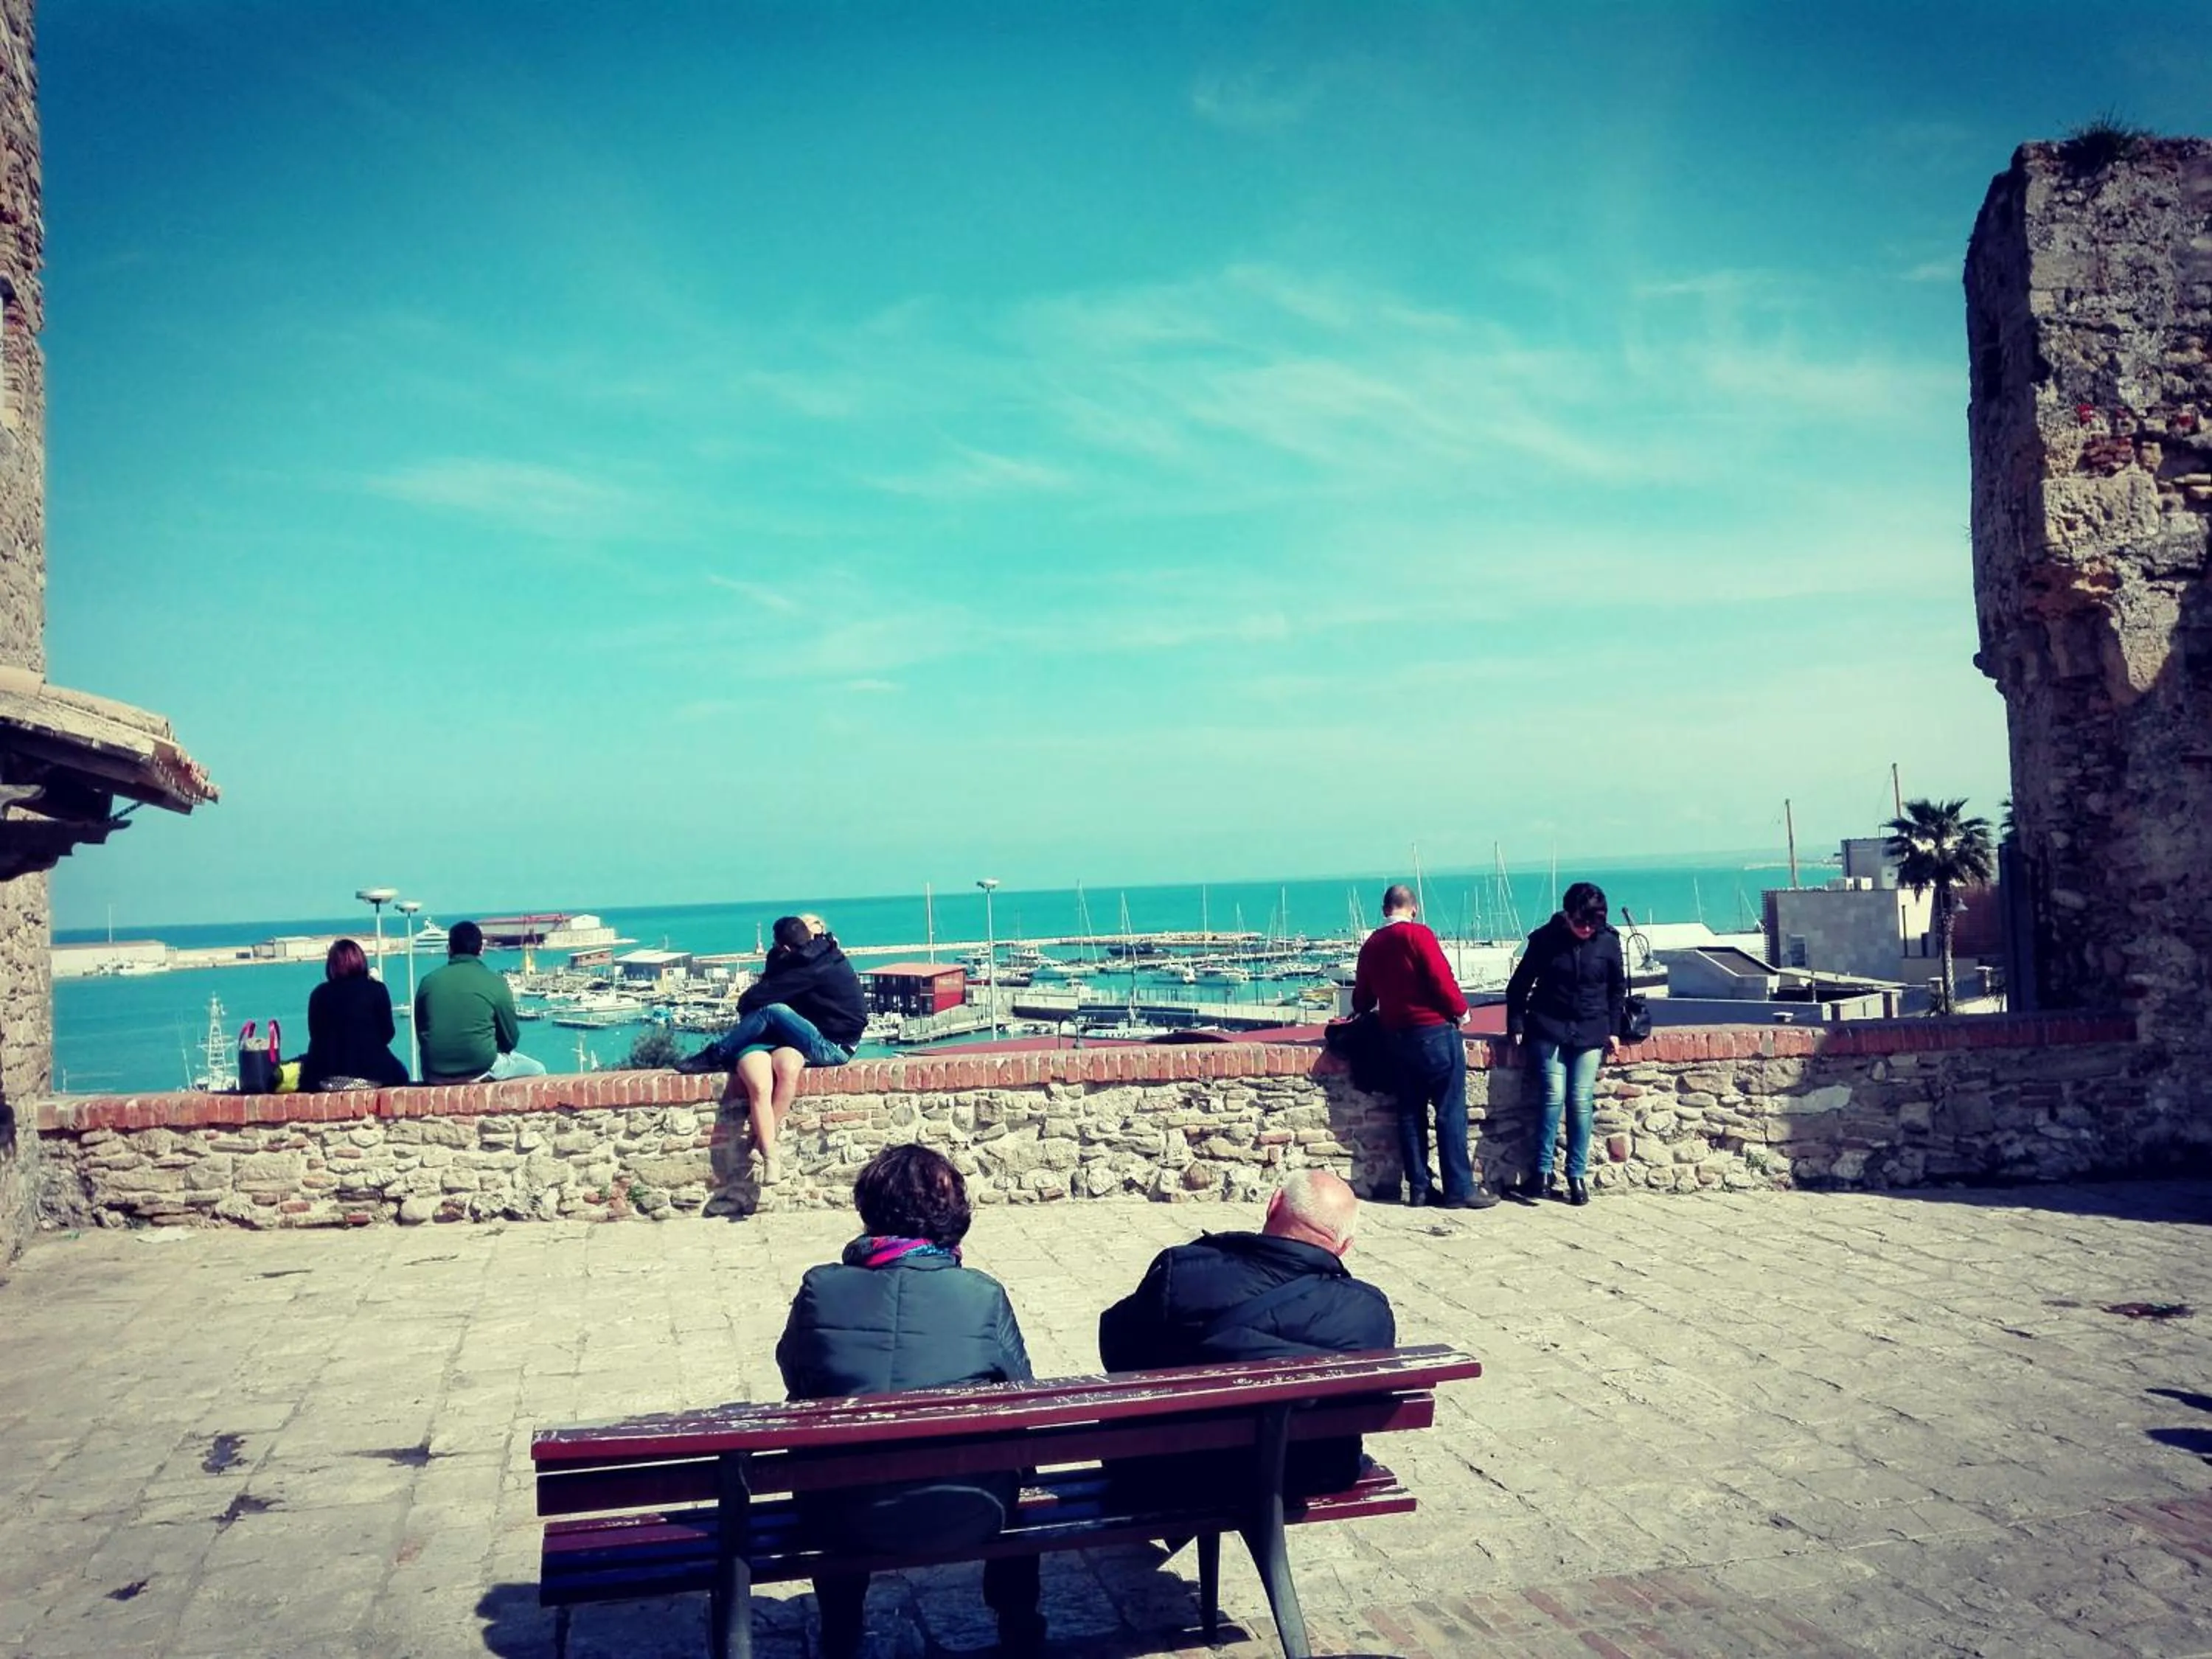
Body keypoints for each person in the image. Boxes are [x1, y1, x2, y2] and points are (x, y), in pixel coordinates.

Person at [776, 1144, 1045, 1659]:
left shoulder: (820, 1290)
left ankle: (841, 1632)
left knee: (823, 1460)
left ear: (869, 1210)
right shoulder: (982, 1294)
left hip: (844, 1518)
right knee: (1015, 1457)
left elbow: (795, 1372)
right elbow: (1022, 1393)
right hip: (970, 1507)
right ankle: (1019, 1619)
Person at [1099, 1169, 1396, 1499]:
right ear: (1344, 1246)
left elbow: (1117, 1352)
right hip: (1309, 1474)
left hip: (1169, 1473)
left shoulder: (1184, 1274)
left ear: (1274, 1204)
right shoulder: (1368, 1313)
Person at [675, 914, 865, 1185]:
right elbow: (773, 986)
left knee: (773, 1011)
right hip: (811, 1038)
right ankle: (766, 1149)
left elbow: (758, 998)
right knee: (764, 1076)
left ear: (785, 946)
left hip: (833, 1047)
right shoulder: (816, 954)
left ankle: (715, 1055)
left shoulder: (810, 967)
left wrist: (750, 1004)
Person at [1351, 883, 1497, 1208]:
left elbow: (1362, 999)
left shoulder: (1372, 944)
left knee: (1409, 1112)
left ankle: (1419, 1187)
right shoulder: (1419, 936)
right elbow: (1441, 978)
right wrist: (1462, 1012)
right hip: (1434, 1033)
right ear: (1414, 909)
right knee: (1449, 1112)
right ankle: (1459, 1189)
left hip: (1396, 1037)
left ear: (1384, 909)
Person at [1503, 880, 1626, 1206]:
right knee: (1553, 1096)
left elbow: (1617, 989)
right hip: (1549, 1025)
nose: (1586, 929)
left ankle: (1576, 1176)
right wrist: (1516, 1023)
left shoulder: (1609, 942)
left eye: (1592, 924)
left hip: (1591, 1028)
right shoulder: (1545, 940)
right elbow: (1518, 986)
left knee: (1581, 1100)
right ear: (1567, 915)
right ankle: (1542, 1173)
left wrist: (1614, 1029)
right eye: (1580, 923)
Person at [414, 919, 546, 1084]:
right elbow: (510, 1040)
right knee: (538, 1070)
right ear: (482, 949)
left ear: (449, 949)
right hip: (480, 1068)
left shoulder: (427, 982)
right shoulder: (495, 982)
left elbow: (421, 1031)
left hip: (434, 1072)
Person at [299, 937, 408, 1090]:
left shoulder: (319, 994)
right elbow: (388, 1034)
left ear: (332, 966)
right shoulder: (377, 990)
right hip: (374, 1074)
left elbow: (315, 1036)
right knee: (402, 1074)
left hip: (327, 1077)